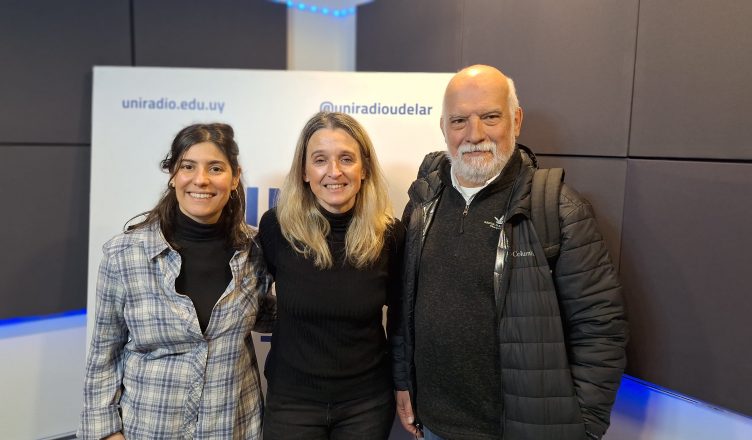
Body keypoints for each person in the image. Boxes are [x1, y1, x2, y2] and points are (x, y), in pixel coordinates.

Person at [395, 65, 628, 440]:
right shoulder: (423, 202)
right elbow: (404, 306)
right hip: (434, 424)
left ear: (515, 120)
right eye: (459, 121)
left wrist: (583, 427)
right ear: (443, 127)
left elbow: (600, 328)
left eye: (490, 117)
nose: (474, 134)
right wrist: (404, 380)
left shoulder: (558, 209)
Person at [78, 123, 275, 439]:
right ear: (172, 174)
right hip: (149, 430)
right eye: (188, 166)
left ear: (235, 177)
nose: (201, 179)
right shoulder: (125, 255)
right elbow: (104, 355)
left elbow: (272, 316)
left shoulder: (257, 249)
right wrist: (107, 433)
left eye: (215, 168)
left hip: (233, 429)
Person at [258, 111, 404, 439]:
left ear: (364, 169)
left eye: (347, 159)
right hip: (291, 402)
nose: (334, 172)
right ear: (304, 171)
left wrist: (404, 384)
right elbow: (249, 297)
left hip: (366, 406)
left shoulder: (390, 236)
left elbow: (400, 321)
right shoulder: (277, 228)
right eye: (320, 160)